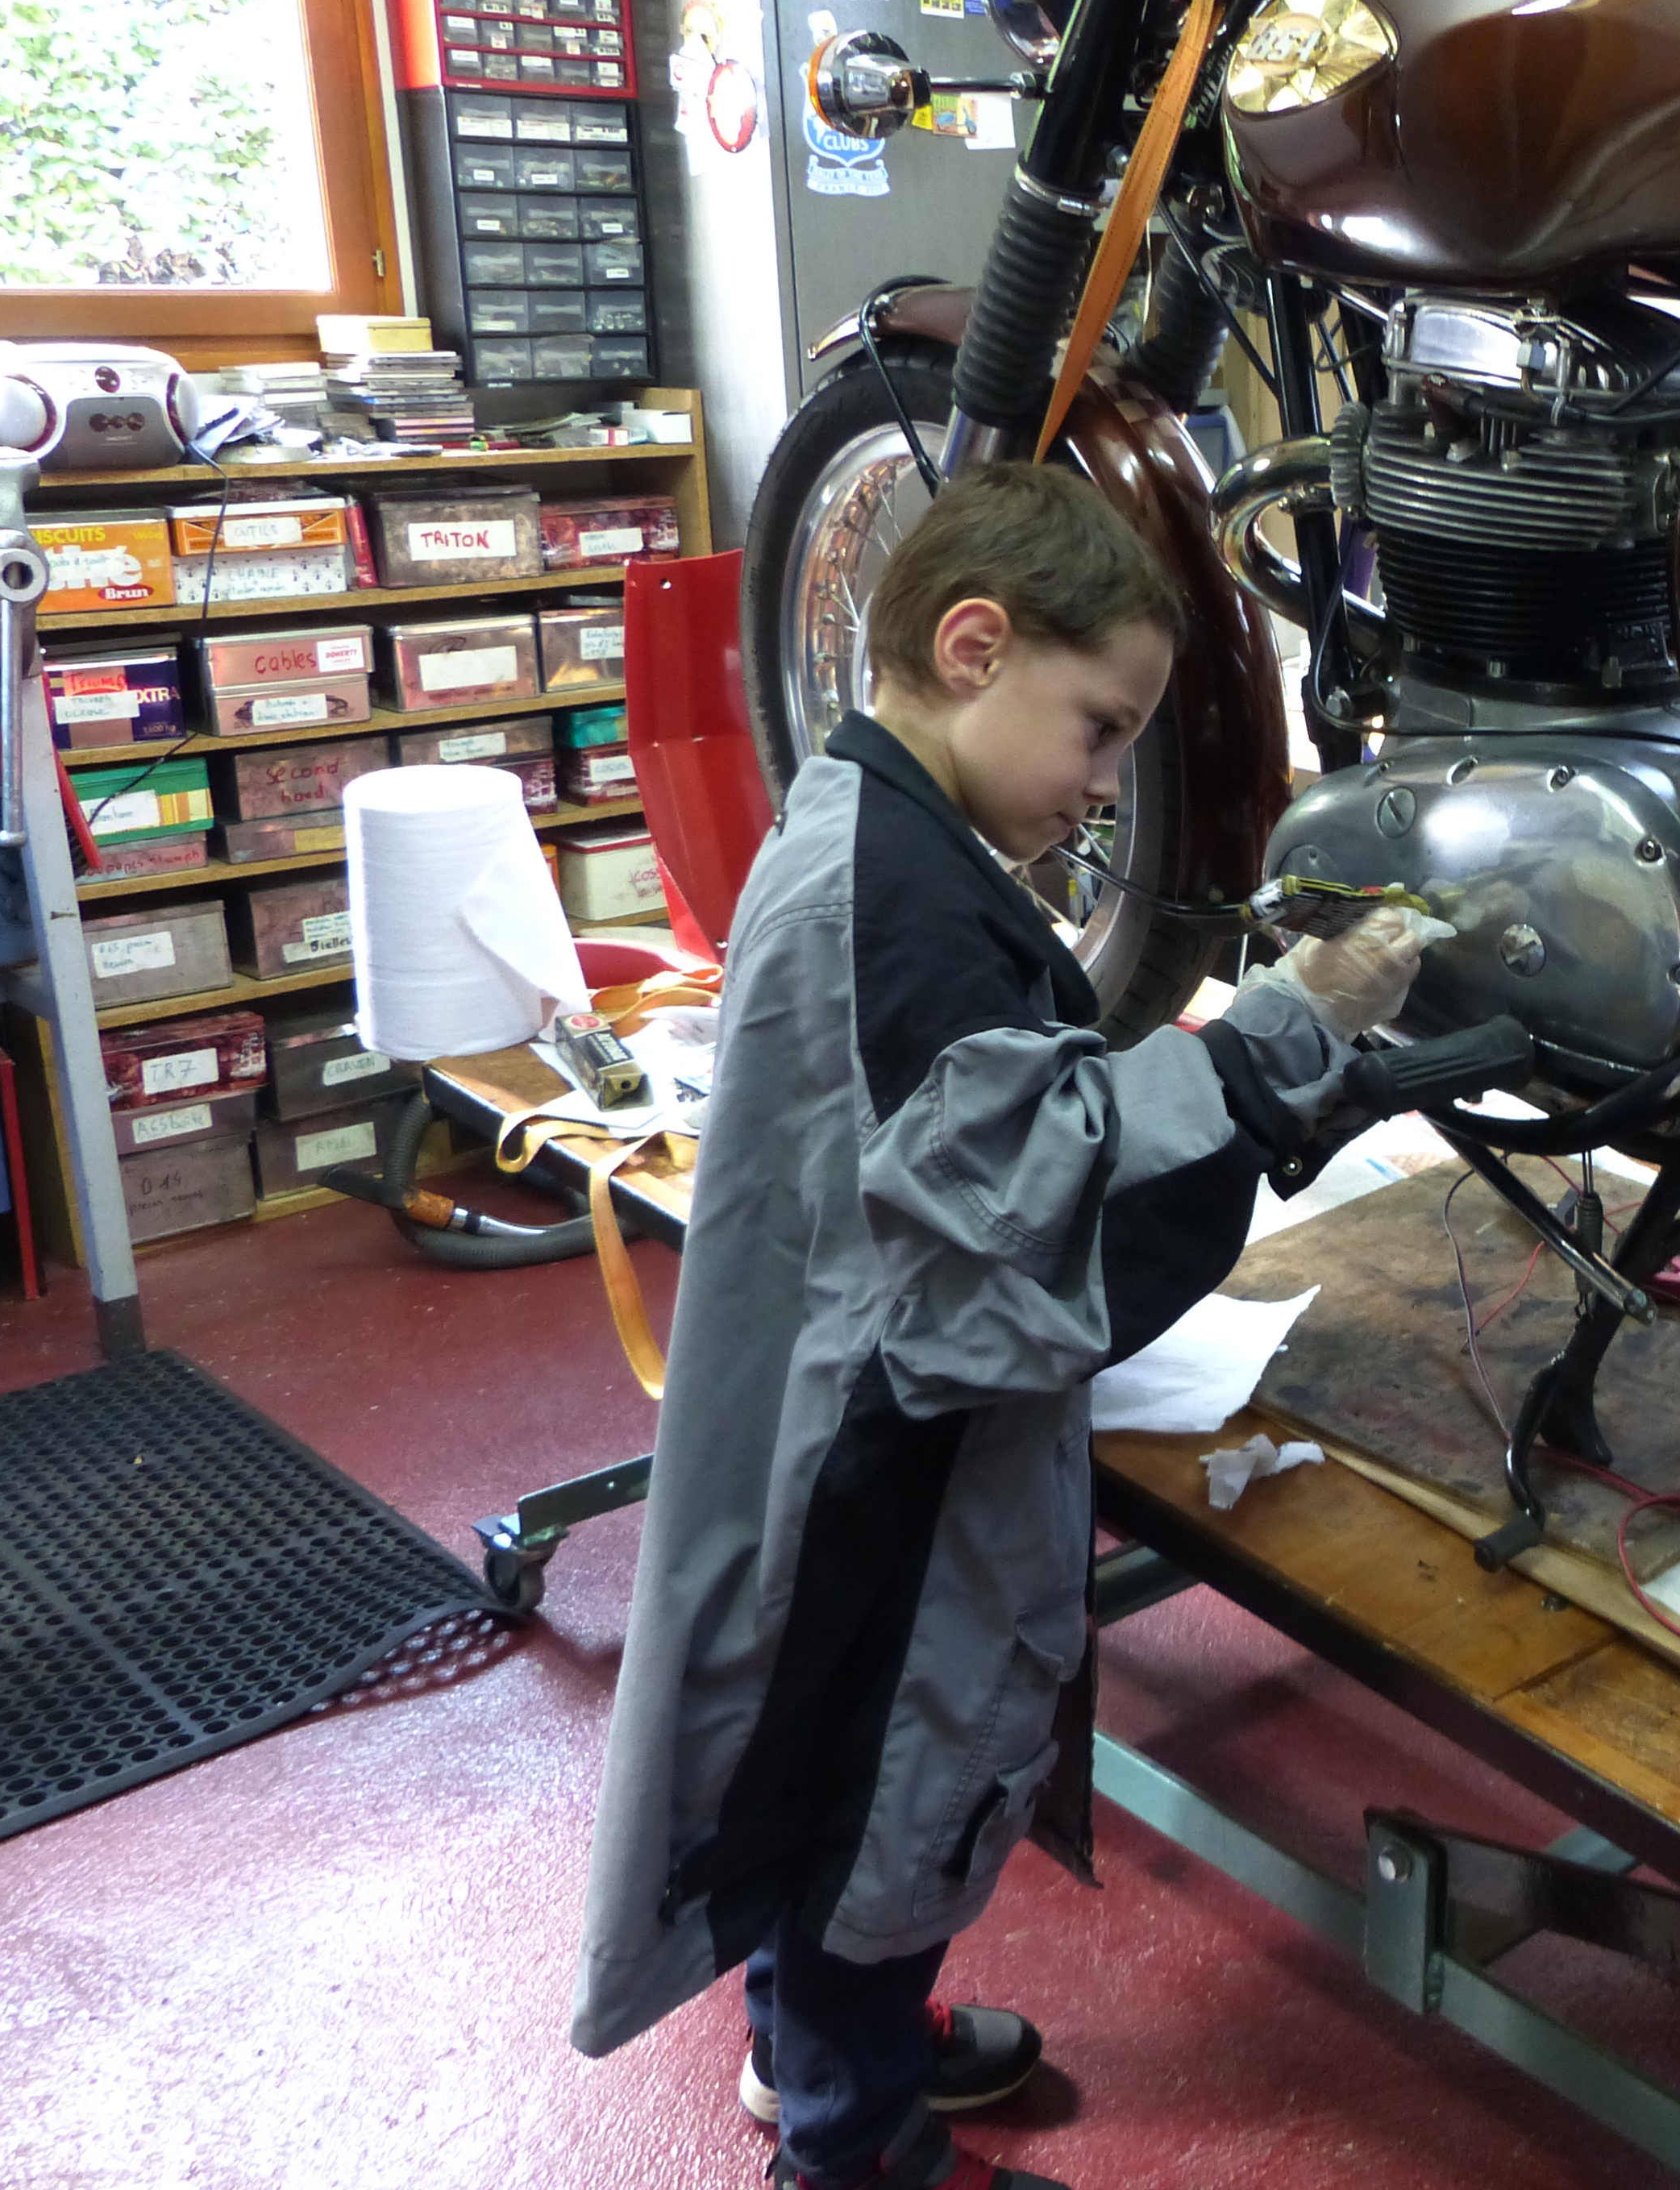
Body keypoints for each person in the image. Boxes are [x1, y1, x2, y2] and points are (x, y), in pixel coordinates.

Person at [569, 464, 1424, 2190]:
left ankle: (816, 2047)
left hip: (847, 1408)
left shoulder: (871, 824)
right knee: (878, 1787)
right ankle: (855, 2134)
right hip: (880, 1454)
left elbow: (981, 1115)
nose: (1105, 784)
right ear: (975, 648)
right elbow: (1032, 1197)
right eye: (1099, 731)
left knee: (829, 1764)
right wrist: (1281, 1037)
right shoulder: (892, 899)